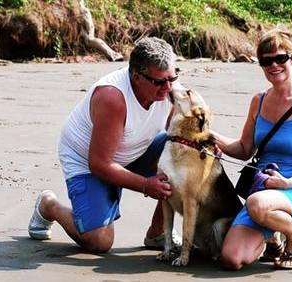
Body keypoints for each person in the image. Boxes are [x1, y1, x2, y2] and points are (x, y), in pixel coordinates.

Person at [28, 37, 182, 253]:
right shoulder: (112, 97)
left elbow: (184, 132)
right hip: (88, 160)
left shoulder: (170, 88)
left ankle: (158, 233)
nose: (168, 88)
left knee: (185, 153)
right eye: (159, 82)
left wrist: (211, 143)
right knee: (99, 241)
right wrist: (146, 185)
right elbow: (99, 164)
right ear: (137, 77)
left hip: (135, 149)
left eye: (173, 77)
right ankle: (49, 205)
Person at [212, 27, 292, 270]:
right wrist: (209, 136)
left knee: (256, 204)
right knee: (231, 259)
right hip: (261, 192)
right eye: (266, 61)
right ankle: (272, 238)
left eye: (280, 58)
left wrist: (287, 183)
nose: (273, 65)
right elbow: (245, 148)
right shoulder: (259, 100)